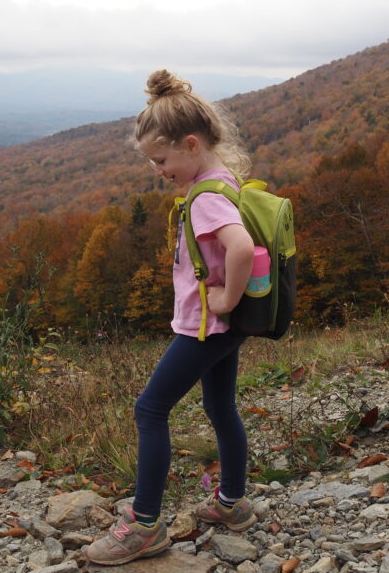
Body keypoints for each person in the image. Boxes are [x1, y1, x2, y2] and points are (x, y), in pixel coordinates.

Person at [85, 69, 257, 566]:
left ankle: (144, 526)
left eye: (161, 160)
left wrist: (223, 301)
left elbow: (241, 248)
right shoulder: (221, 179)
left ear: (189, 144)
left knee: (150, 409)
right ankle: (232, 504)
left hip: (206, 325)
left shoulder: (203, 198)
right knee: (220, 408)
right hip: (225, 326)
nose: (158, 170)